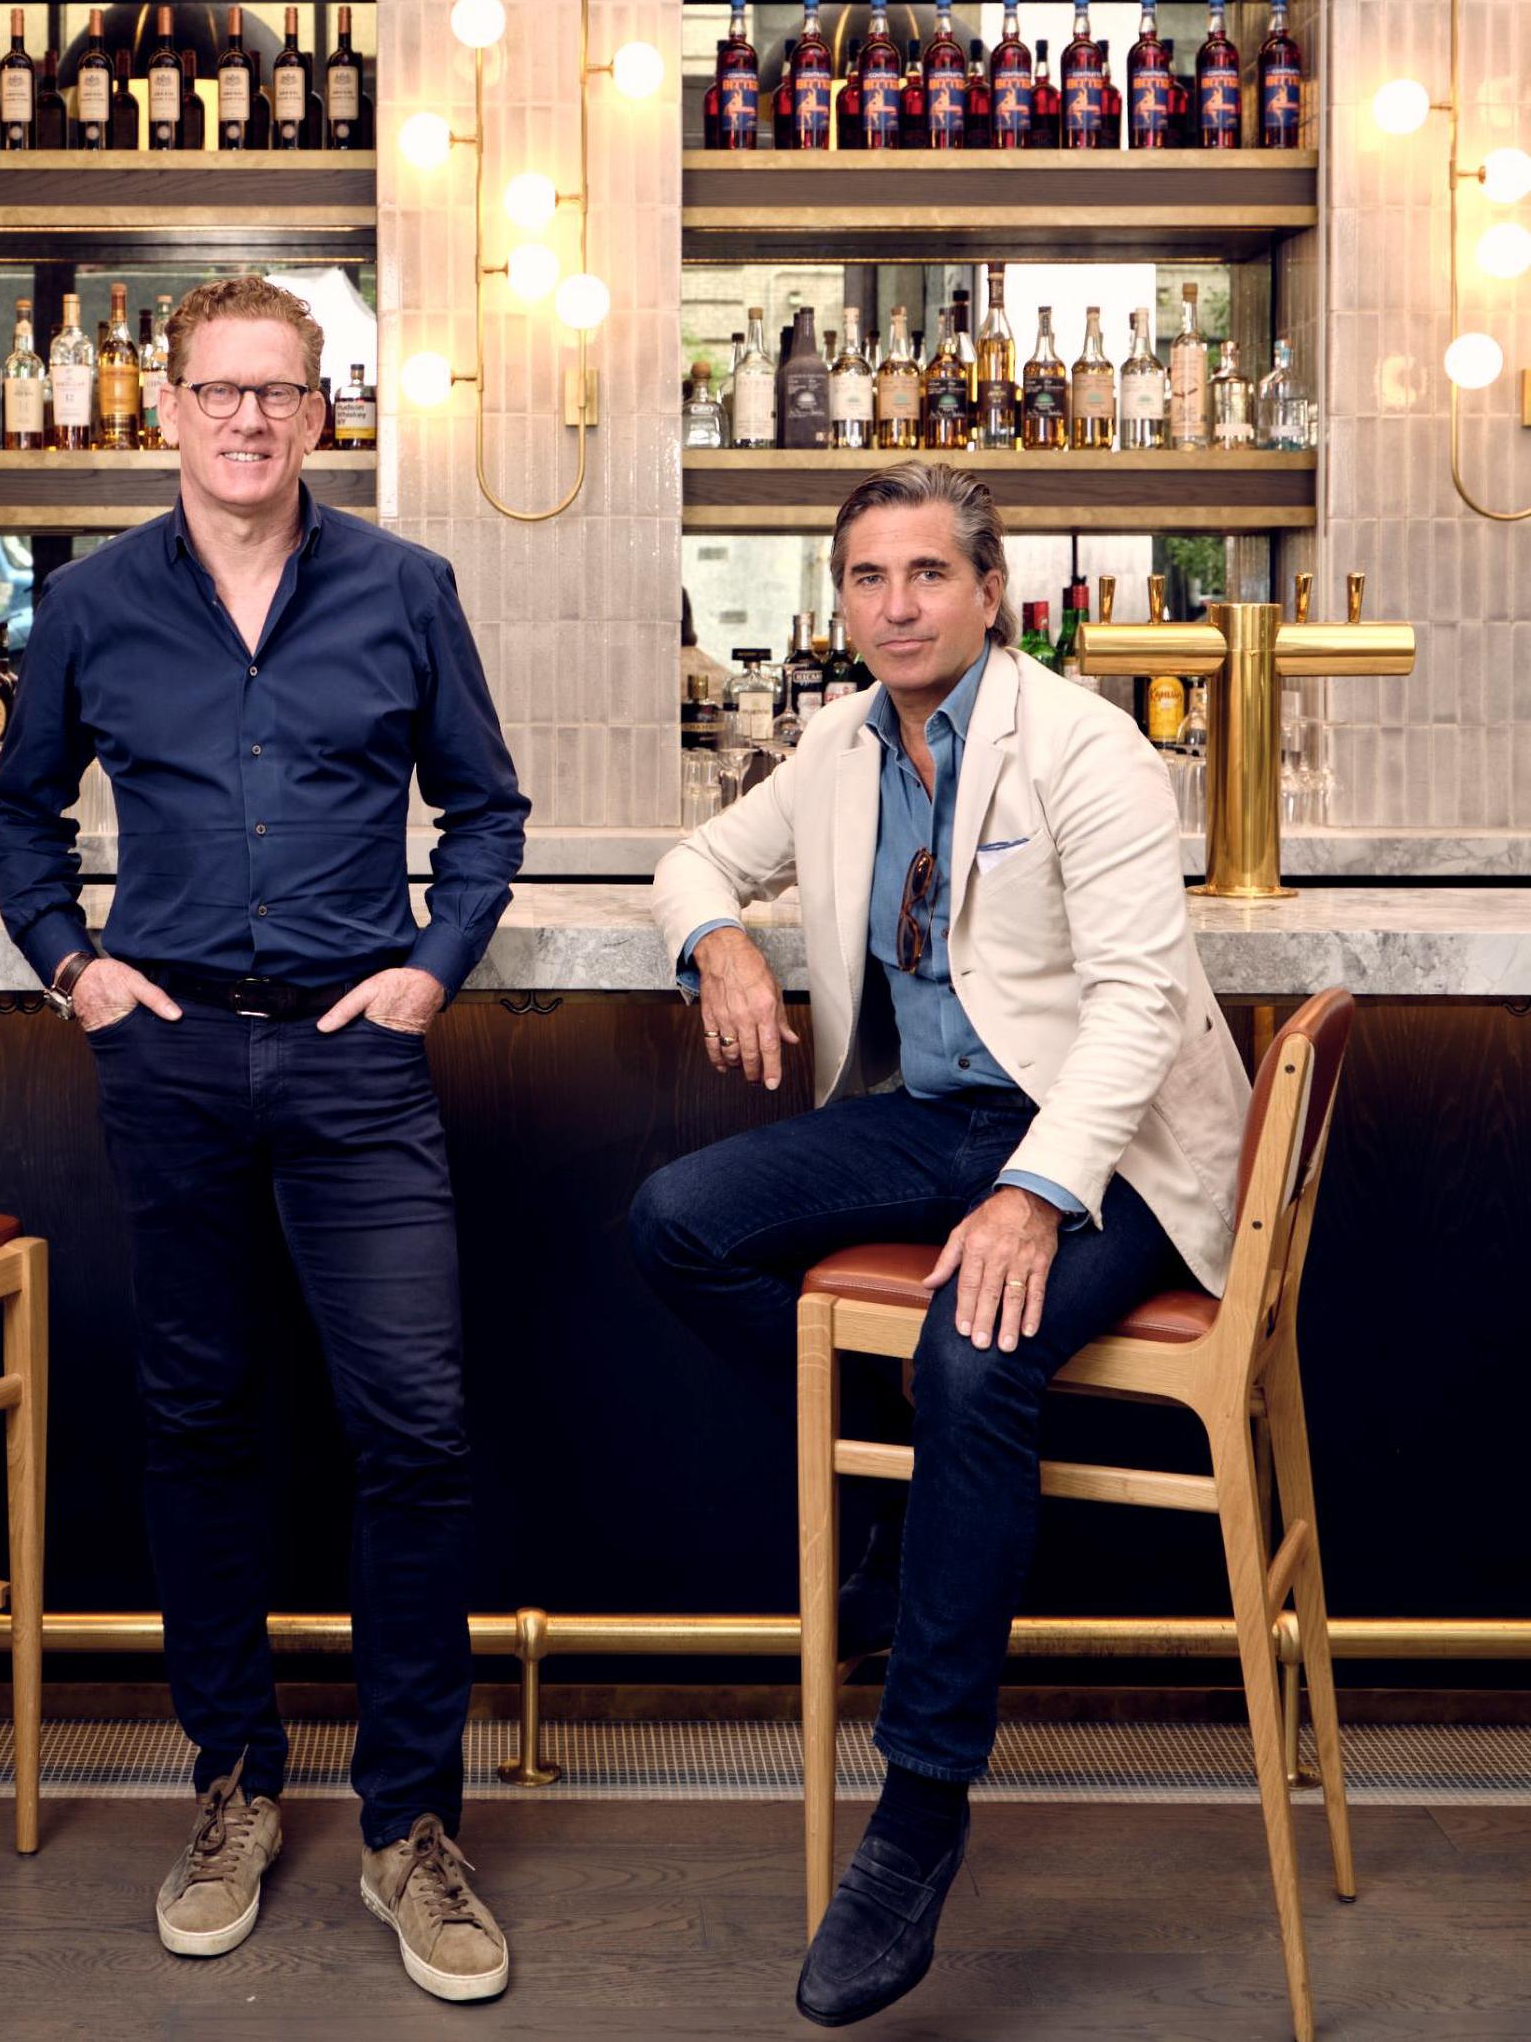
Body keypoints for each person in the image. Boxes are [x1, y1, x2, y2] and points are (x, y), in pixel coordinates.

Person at [629, 462, 1249, 2028]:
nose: (896, 606)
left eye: (926, 575)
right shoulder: (840, 746)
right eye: (868, 578)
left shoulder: (1088, 747)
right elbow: (691, 862)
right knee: (677, 1223)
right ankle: (907, 1498)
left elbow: (1138, 1007)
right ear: (841, 600)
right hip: (928, 1121)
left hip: (1106, 1145)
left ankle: (915, 1818)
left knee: (977, 1356)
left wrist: (1035, 1193)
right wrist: (718, 942)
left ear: (988, 591)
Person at [0, 275, 528, 2005]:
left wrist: (434, 968)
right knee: (199, 1424)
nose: (247, 419)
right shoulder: (90, 603)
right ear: (167, 410)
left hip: (355, 1065)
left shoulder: (405, 587)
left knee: (416, 1432)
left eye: (279, 392)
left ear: (320, 412)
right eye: (218, 391)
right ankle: (232, 1785)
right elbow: (20, 817)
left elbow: (488, 810)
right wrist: (71, 965)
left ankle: (410, 1826)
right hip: (170, 1064)